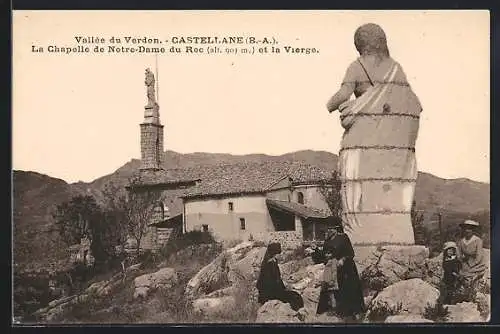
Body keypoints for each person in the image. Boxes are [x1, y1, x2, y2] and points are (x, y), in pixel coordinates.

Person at [326, 23, 422, 245]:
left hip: (364, 134)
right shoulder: (396, 68)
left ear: (359, 44)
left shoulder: (357, 66)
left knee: (358, 178)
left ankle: (364, 232)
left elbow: (343, 94)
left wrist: (330, 104)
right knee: (386, 181)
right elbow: (409, 102)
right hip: (390, 139)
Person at [318, 223, 365, 319]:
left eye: (331, 229)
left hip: (347, 268)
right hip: (333, 268)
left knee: (350, 288)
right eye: (328, 229)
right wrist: (317, 252)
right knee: (334, 289)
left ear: (336, 229)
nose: (329, 231)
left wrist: (343, 259)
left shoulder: (343, 238)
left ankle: (356, 311)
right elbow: (323, 255)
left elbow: (351, 253)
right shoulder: (327, 241)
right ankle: (341, 312)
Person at [256, 242, 304, 311]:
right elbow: (269, 283)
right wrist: (282, 289)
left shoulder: (273, 262)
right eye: (279, 253)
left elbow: (277, 278)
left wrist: (284, 287)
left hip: (275, 290)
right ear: (274, 254)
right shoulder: (268, 265)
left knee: (295, 295)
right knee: (293, 297)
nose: (281, 255)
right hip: (269, 293)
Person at [457, 220, 487, 301]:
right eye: (466, 229)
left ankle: (471, 294)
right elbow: (459, 254)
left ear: (473, 230)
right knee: (459, 274)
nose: (467, 231)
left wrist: (471, 264)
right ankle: (462, 295)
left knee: (469, 275)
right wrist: (461, 261)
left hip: (476, 264)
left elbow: (479, 256)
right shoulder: (461, 241)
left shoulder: (478, 240)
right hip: (464, 263)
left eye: (470, 229)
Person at [316, 225, 339, 315]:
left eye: (331, 229)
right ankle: (332, 308)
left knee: (332, 294)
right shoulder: (329, 261)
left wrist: (331, 281)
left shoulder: (333, 261)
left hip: (331, 281)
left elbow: (333, 271)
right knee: (330, 294)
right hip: (328, 280)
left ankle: (334, 309)